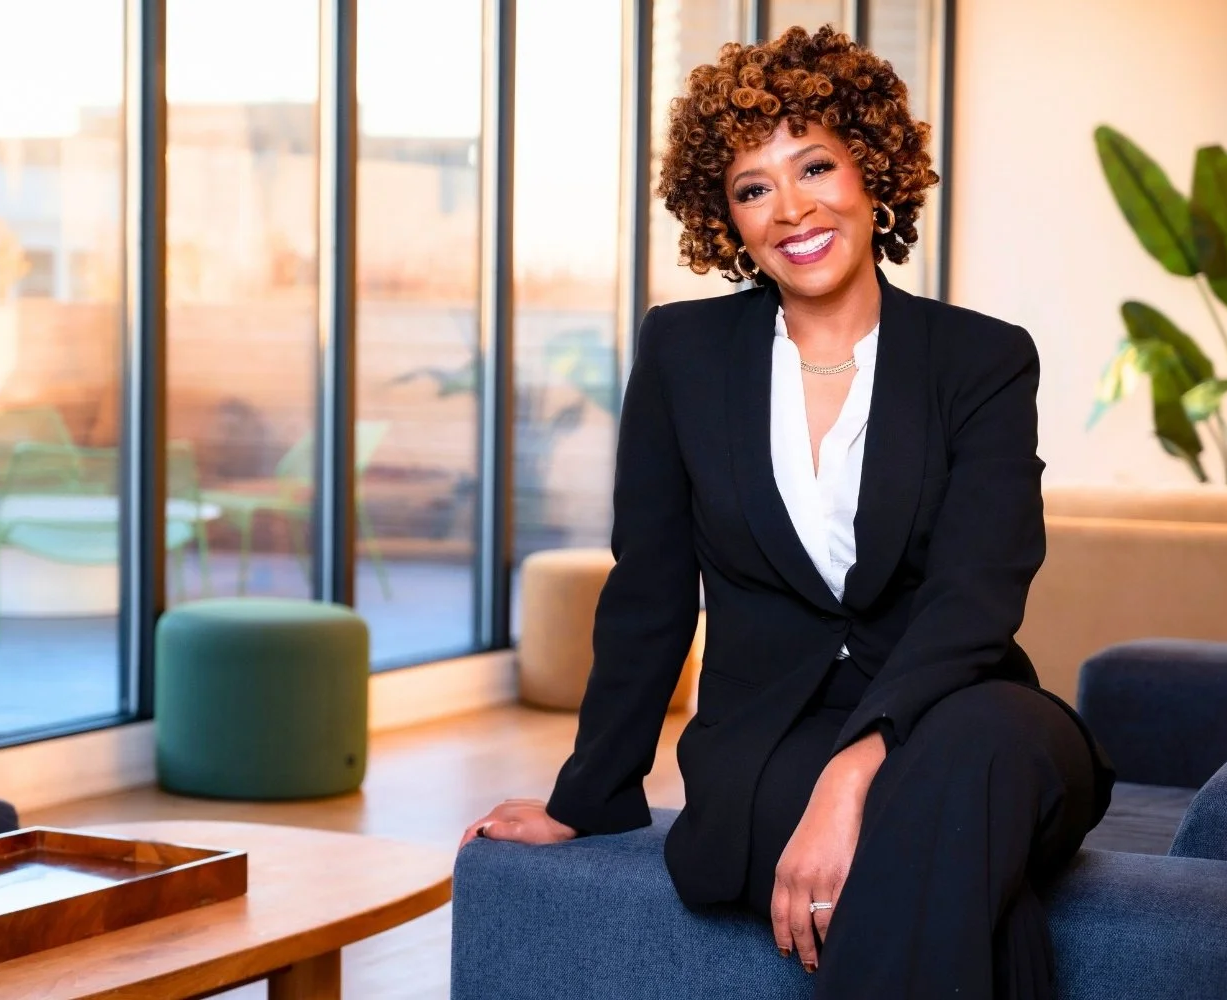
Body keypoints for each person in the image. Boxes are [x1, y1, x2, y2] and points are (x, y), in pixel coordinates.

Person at [460, 24, 1114, 998]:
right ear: (724, 215)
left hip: (974, 714)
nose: (791, 207)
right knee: (973, 875)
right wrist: (585, 793)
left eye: (815, 166)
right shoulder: (683, 356)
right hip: (769, 740)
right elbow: (648, 589)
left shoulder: (980, 359)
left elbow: (977, 593)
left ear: (873, 170)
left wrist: (855, 771)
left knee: (976, 751)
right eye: (753, 186)